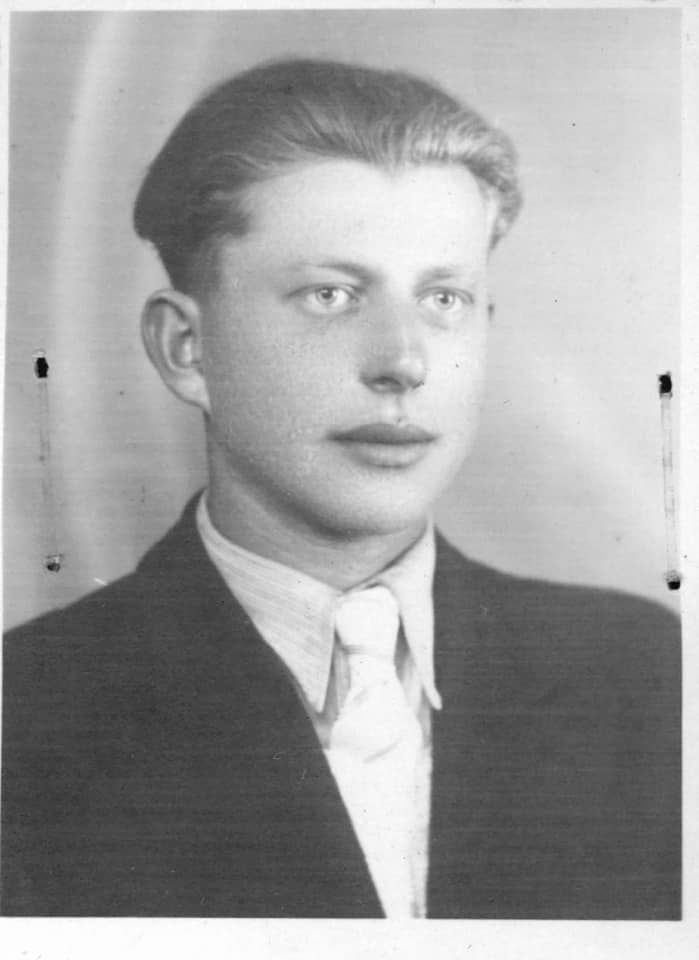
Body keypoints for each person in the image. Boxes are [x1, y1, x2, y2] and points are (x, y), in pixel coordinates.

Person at [1, 58, 680, 919]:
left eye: (443, 298)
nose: (403, 361)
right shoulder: (27, 713)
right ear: (186, 350)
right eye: (330, 294)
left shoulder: (645, 675)